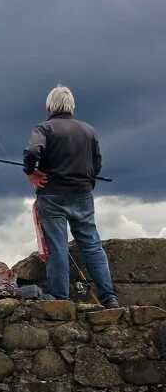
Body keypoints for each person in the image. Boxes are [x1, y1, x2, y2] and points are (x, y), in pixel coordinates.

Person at [23, 85, 120, 307]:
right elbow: (97, 164)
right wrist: (86, 180)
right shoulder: (89, 131)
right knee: (92, 245)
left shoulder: (44, 129)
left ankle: (61, 299)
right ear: (72, 106)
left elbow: (31, 151)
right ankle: (109, 297)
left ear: (49, 106)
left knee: (57, 247)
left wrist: (31, 172)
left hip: (52, 195)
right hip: (83, 194)